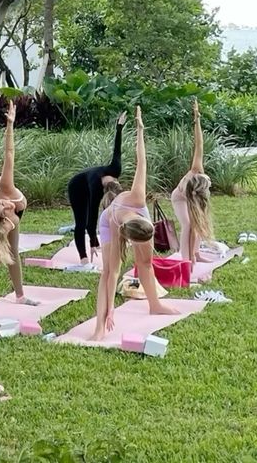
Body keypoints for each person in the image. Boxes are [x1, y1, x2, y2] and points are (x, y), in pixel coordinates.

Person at [92, 105, 179, 340]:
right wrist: (110, 310)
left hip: (136, 212)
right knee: (107, 271)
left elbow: (142, 160)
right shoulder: (112, 221)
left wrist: (140, 129)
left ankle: (155, 304)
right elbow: (112, 275)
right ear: (128, 237)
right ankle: (99, 326)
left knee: (146, 262)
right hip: (112, 220)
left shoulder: (138, 197)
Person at [0, 100, 39, 314]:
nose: (6, 204)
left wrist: (10, 124)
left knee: (13, 253)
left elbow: (9, 153)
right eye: (4, 206)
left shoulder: (5, 186)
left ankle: (20, 295)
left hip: (0, 216)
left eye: (3, 204)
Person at [66, 111, 127, 265]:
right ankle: (83, 258)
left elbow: (117, 151)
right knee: (81, 221)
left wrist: (119, 127)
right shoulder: (96, 187)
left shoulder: (115, 169)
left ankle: (95, 243)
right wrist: (92, 242)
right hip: (77, 186)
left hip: (87, 181)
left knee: (89, 221)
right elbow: (92, 218)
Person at [171, 99, 213, 264]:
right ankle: (185, 259)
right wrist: (196, 119)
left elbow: (200, 143)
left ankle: (195, 254)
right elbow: (198, 144)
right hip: (179, 198)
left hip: (192, 196)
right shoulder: (195, 169)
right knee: (187, 224)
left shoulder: (199, 183)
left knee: (197, 224)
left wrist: (197, 119)